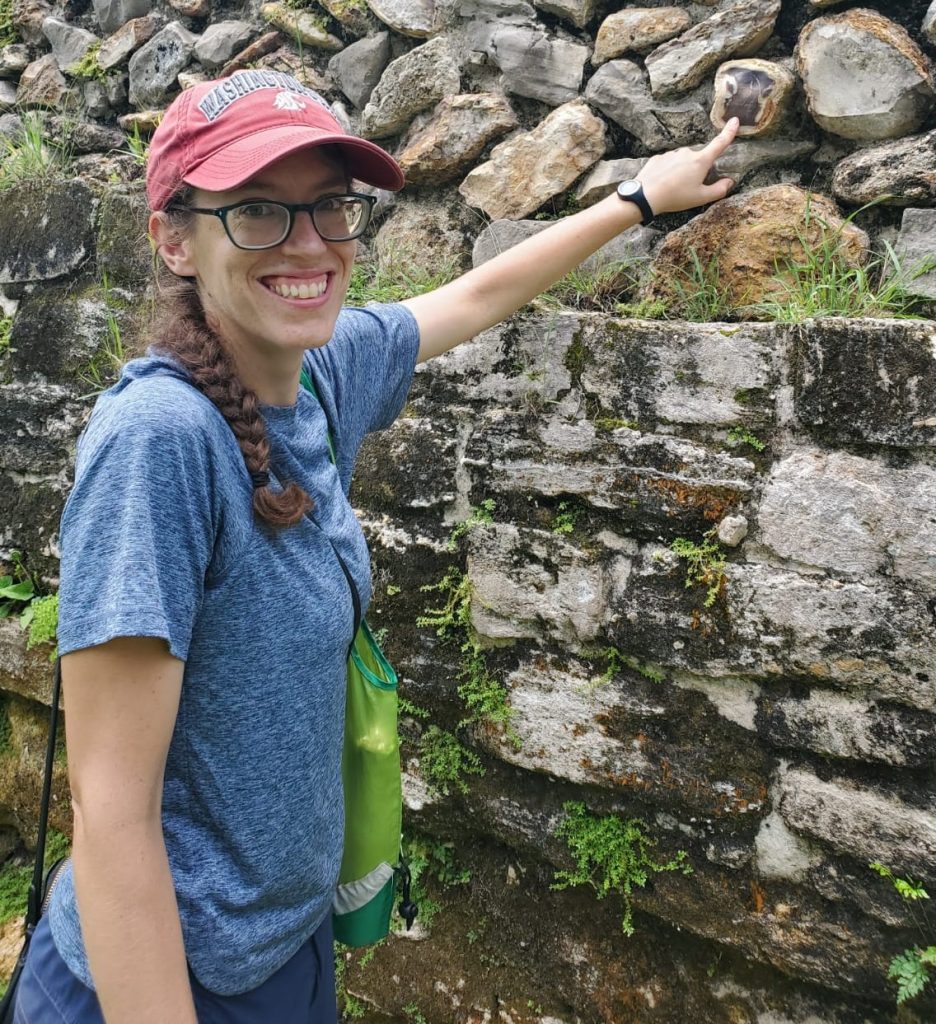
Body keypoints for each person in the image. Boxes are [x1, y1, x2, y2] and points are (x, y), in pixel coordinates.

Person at [13, 69, 739, 1024]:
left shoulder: (318, 373)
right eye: (258, 211)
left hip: (286, 946)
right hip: (166, 975)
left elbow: (474, 297)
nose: (309, 243)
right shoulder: (162, 440)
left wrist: (638, 198)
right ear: (174, 240)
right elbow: (111, 815)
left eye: (330, 207)